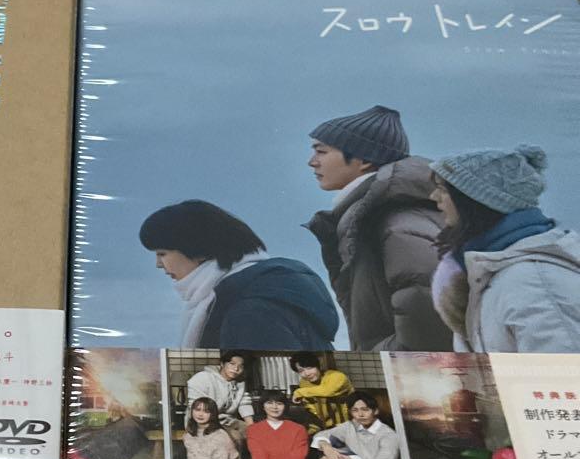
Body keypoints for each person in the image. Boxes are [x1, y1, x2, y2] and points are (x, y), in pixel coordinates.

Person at [304, 105, 451, 351]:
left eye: (321, 151)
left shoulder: (396, 221)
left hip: (412, 370)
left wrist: (382, 359)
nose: (312, 162)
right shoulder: (371, 216)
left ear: (364, 160)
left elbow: (426, 309)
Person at [428, 145, 580, 352]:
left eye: (443, 189)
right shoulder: (487, 270)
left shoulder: (536, 284)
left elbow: (565, 371)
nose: (433, 196)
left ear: (476, 200)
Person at [139, 200, 338, 350]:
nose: (158, 264)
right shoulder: (243, 295)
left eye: (162, 253)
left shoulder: (252, 308)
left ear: (197, 249)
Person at [184, 351, 254, 443]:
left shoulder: (240, 383)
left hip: (228, 421)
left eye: (240, 366)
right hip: (202, 422)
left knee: (255, 434)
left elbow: (244, 403)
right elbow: (196, 407)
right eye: (232, 364)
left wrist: (251, 426)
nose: (236, 368)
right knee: (235, 437)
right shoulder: (202, 378)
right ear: (222, 364)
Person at [288, 352, 353, 432]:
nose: (307, 373)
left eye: (309, 368)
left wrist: (299, 392)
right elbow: (310, 407)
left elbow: (328, 391)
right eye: (301, 371)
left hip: (349, 422)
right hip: (324, 425)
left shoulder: (337, 376)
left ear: (318, 366)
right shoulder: (304, 383)